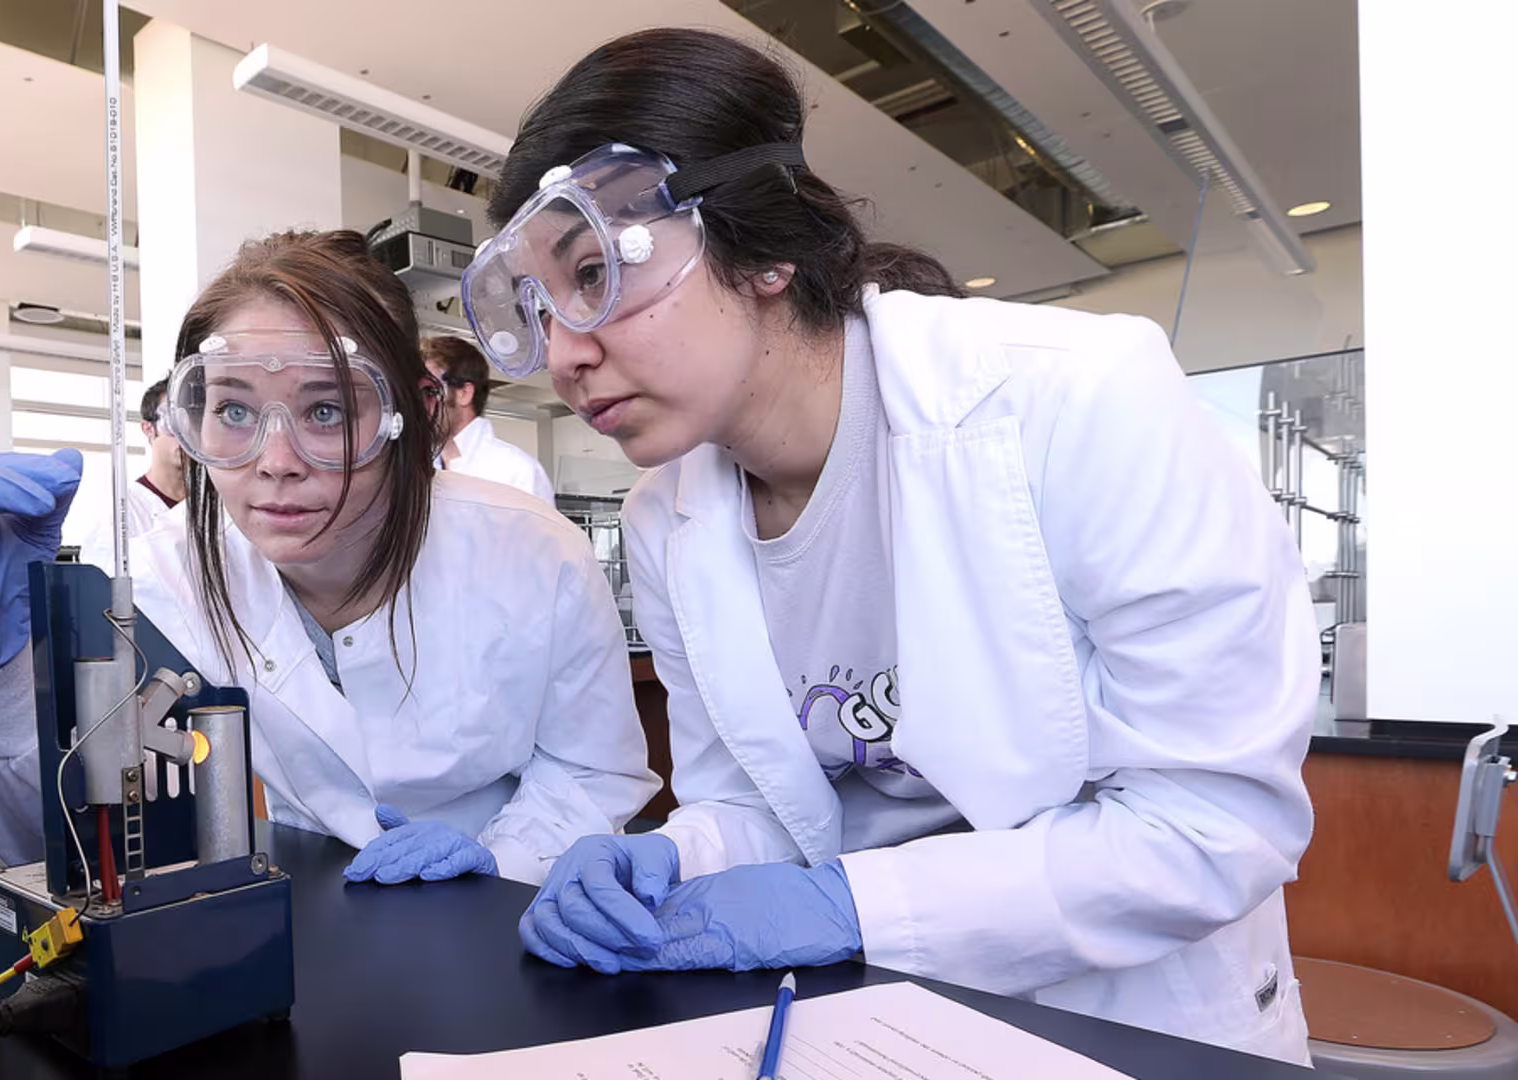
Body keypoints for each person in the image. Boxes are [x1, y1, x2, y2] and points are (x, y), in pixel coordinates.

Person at [480, 29, 1316, 1064]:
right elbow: (751, 803)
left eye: (598, 273)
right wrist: (660, 857)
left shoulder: (1075, 396)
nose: (563, 353)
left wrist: (845, 903)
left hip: (1131, 1022)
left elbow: (1213, 826)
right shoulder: (666, 519)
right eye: (533, 306)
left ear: (769, 251)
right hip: (872, 1016)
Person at [0, 229, 659, 885]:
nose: (275, 460)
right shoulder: (164, 580)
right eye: (232, 409)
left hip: (497, 926)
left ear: (411, 411)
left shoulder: (533, 552)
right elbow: (75, 843)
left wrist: (501, 863)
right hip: (281, 928)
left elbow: (591, 773)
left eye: (328, 408)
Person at [421, 336, 555, 504]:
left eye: (429, 391)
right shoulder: (424, 471)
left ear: (464, 393)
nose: (419, 404)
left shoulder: (517, 473)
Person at [71, 377, 187, 566]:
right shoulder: (123, 511)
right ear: (149, 429)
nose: (184, 436)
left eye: (192, 423)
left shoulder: (214, 505)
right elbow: (103, 582)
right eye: (173, 424)